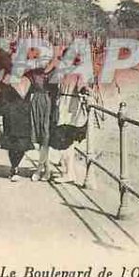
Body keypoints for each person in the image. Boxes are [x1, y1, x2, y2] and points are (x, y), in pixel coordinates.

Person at [49, 52, 90, 184]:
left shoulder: (78, 73)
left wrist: (85, 91)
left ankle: (69, 173)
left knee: (66, 143)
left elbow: (83, 86)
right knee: (66, 144)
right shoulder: (62, 73)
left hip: (71, 112)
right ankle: (69, 171)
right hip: (63, 109)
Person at [0, 51, 32, 182]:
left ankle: (16, 164)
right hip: (11, 117)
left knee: (23, 145)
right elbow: (1, 101)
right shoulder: (7, 80)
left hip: (25, 117)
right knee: (13, 145)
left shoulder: (29, 80)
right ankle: (14, 167)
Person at [26, 55, 54, 182]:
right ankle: (47, 169)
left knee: (45, 137)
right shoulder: (32, 74)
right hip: (36, 103)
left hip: (48, 103)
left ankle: (39, 169)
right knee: (38, 137)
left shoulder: (52, 73)